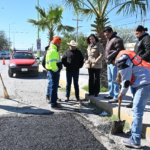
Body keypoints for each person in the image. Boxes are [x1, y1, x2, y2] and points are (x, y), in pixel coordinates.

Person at [107, 49, 150, 149]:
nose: (114, 65)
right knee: (138, 110)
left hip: (144, 85)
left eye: (112, 63)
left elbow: (126, 82)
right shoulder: (125, 56)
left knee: (137, 112)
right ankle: (135, 133)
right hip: (146, 82)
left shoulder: (121, 60)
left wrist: (121, 94)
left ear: (114, 59)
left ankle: (135, 140)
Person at [126, 25, 150, 108]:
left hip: (143, 65)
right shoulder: (140, 39)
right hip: (137, 64)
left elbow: (148, 52)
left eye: (137, 33)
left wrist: (139, 59)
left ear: (143, 31)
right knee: (134, 83)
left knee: (139, 84)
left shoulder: (146, 38)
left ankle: (136, 102)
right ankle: (134, 100)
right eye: (135, 34)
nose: (136, 35)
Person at [103, 27, 124, 103]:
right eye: (105, 35)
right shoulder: (109, 40)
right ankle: (111, 94)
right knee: (110, 80)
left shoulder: (117, 40)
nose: (106, 36)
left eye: (107, 34)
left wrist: (114, 60)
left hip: (114, 63)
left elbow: (120, 52)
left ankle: (116, 97)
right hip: (109, 63)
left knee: (115, 80)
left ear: (111, 32)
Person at [45, 36, 62, 109]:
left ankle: (53, 101)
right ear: (56, 43)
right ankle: (53, 104)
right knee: (54, 88)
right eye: (59, 43)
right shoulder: (53, 51)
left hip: (52, 71)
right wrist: (57, 70)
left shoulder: (51, 50)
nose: (60, 45)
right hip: (54, 72)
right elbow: (52, 64)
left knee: (53, 87)